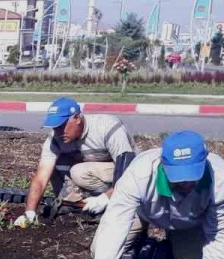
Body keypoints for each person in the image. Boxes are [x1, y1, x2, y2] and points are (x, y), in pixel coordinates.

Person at [91, 131, 224, 259]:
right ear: (162, 163)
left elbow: (219, 231)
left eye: (192, 175)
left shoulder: (223, 180)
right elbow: (115, 223)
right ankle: (141, 244)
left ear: (205, 159)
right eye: (178, 175)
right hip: (143, 213)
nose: (185, 183)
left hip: (188, 224)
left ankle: (161, 250)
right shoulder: (139, 174)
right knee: (98, 250)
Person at [13, 97, 137, 228]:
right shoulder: (55, 139)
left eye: (61, 126)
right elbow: (41, 178)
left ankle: (112, 206)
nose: (58, 133)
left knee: (79, 172)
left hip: (129, 173)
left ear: (77, 118)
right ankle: (74, 206)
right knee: (57, 163)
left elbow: (126, 168)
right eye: (55, 128)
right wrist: (30, 212)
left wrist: (106, 198)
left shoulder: (107, 126)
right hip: (95, 172)